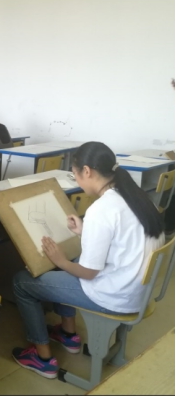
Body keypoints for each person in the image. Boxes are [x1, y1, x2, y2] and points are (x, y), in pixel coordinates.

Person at [11, 141, 165, 379]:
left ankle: (43, 358)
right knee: (75, 256)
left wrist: (61, 261)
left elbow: (89, 272)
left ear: (87, 171)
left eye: (75, 175)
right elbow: (121, 240)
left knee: (21, 282)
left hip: (114, 295)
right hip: (137, 291)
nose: (77, 181)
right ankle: (67, 334)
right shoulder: (136, 197)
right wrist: (85, 230)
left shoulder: (102, 209)